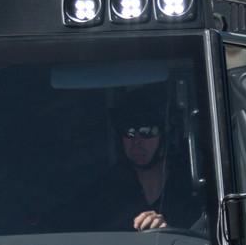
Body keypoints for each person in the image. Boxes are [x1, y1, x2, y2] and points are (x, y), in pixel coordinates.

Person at [83, 98, 194, 231]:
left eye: (147, 132)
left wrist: (168, 232)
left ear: (167, 135)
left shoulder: (190, 188)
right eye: (129, 132)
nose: (137, 142)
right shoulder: (105, 193)